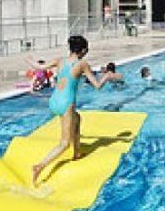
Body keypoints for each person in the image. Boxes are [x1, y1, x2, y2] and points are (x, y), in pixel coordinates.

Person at [31, 35, 111, 186]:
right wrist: (106, 77)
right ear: (82, 51)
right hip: (66, 103)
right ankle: (39, 167)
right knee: (64, 143)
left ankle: (77, 152)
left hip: (54, 101)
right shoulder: (82, 64)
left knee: (77, 119)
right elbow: (97, 86)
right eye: (86, 50)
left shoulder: (59, 60)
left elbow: (40, 67)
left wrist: (29, 60)